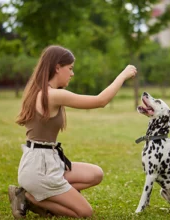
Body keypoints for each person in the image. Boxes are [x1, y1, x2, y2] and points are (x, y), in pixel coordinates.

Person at [8, 45, 137, 218]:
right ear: (57, 67)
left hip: (45, 162)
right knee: (85, 212)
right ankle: (29, 197)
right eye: (70, 69)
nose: (72, 73)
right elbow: (100, 101)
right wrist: (123, 75)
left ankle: (39, 195)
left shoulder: (41, 92)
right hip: (40, 169)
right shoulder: (52, 95)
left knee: (96, 174)